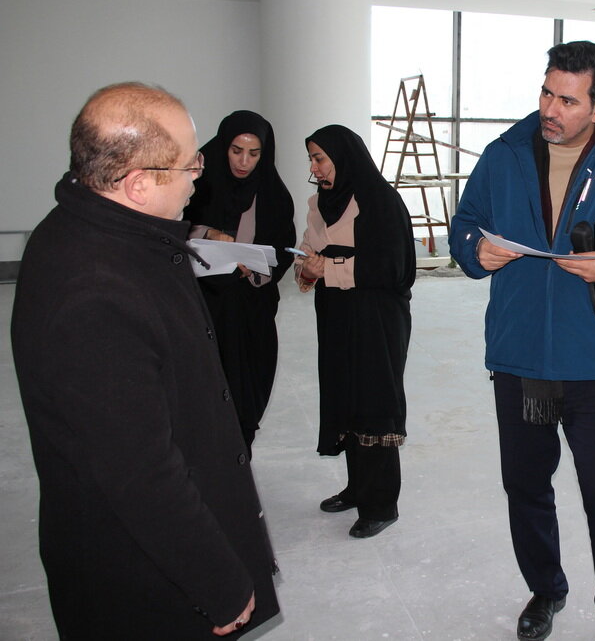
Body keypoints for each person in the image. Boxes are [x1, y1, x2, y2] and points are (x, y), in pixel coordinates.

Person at [10, 83, 279, 638]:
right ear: (137, 184)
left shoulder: (94, 230)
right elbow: (137, 473)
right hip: (145, 579)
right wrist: (220, 583)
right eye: (190, 164)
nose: (200, 175)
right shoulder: (94, 293)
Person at [448, 41, 595, 641]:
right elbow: (465, 224)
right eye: (546, 92)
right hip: (522, 358)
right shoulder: (504, 153)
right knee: (526, 485)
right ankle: (545, 589)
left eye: (568, 100)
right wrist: (475, 250)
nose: (550, 109)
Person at [296, 124, 415, 539]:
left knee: (374, 398)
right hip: (335, 313)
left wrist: (327, 269)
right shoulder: (319, 202)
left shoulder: (380, 201)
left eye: (320, 159)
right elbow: (306, 251)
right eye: (311, 159)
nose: (315, 168)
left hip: (376, 317)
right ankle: (357, 488)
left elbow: (393, 268)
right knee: (345, 395)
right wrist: (306, 269)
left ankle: (381, 503)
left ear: (343, 158)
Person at [184, 110, 296, 452]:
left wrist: (256, 268)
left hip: (250, 311)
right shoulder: (197, 185)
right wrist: (208, 234)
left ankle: (239, 459)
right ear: (223, 147)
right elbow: (174, 228)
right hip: (203, 308)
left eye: (254, 153)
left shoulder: (274, 194)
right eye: (236, 151)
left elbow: (283, 248)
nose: (244, 162)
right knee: (202, 396)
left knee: (247, 391)